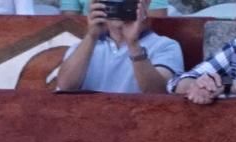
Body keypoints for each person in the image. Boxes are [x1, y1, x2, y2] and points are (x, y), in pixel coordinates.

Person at [55, 0, 183, 95]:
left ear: (145, 4)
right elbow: (65, 87)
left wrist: (133, 44)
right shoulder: (84, 47)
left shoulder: (165, 46)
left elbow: (159, 93)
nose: (118, 5)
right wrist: (91, 36)